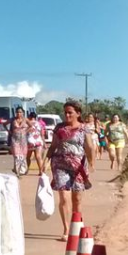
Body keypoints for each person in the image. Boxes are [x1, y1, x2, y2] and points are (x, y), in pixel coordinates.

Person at [46, 101, 97, 241]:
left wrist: (92, 163)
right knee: (64, 197)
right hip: (60, 165)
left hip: (79, 167)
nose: (67, 115)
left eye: (70, 112)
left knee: (77, 199)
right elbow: (53, 146)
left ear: (78, 113)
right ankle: (66, 229)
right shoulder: (59, 128)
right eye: (65, 112)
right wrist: (45, 162)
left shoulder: (84, 128)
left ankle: (77, 227)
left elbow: (90, 146)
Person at [7, 106, 31, 176]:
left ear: (23, 113)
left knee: (23, 156)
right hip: (15, 140)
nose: (19, 113)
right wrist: (9, 131)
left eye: (20, 112)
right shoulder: (13, 120)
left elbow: (31, 126)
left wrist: (26, 131)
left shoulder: (25, 120)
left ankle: (21, 170)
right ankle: (17, 171)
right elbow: (4, 124)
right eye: (17, 112)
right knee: (17, 156)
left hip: (23, 140)